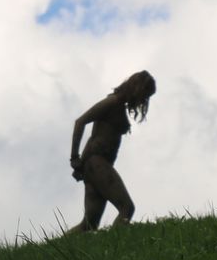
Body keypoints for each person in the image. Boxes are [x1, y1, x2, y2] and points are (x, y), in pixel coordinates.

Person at [66, 71, 158, 232]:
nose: (144, 100)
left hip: (94, 165)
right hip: (97, 164)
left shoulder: (119, 106)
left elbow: (94, 138)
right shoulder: (112, 102)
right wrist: (75, 158)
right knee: (127, 208)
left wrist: (83, 166)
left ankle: (57, 248)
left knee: (89, 224)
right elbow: (80, 122)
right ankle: (116, 245)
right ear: (137, 88)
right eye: (145, 95)